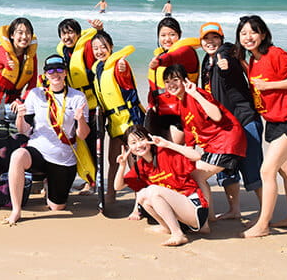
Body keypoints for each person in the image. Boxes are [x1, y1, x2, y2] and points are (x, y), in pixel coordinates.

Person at [235, 15, 287, 238]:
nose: (248, 37)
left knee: (267, 170)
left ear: (263, 34)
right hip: (274, 121)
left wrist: (269, 85)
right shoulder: (253, 61)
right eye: (243, 33)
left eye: (253, 32)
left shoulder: (276, 53)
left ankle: (263, 224)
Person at [4, 55, 89, 224]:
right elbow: (23, 131)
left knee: (58, 207)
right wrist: (20, 116)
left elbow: (82, 135)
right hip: (39, 151)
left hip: (63, 157)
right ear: (45, 74)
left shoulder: (77, 97)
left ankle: (48, 184)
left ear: (65, 73)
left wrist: (80, 119)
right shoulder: (36, 94)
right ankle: (16, 210)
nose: (55, 74)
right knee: (17, 156)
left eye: (59, 69)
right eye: (51, 70)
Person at [162, 64, 246, 221]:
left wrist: (196, 94)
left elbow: (217, 116)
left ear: (185, 80)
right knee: (193, 172)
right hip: (213, 146)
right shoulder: (182, 105)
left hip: (226, 141)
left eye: (175, 79)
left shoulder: (196, 95)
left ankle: (207, 217)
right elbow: (189, 137)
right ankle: (212, 215)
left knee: (196, 175)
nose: (171, 84)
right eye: (167, 81)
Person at [199, 22, 263, 219]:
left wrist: (225, 64)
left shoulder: (227, 53)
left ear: (222, 38)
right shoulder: (205, 62)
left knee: (251, 167)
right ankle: (234, 210)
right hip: (223, 127)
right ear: (201, 42)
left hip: (244, 120)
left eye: (215, 38)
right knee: (225, 169)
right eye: (206, 39)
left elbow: (228, 55)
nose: (211, 42)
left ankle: (264, 214)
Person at [113, 125, 209, 247]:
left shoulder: (165, 153)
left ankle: (177, 234)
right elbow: (118, 187)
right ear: (128, 148)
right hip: (180, 216)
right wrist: (122, 166)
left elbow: (196, 156)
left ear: (149, 139)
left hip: (195, 209)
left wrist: (168, 144)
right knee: (142, 195)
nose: (139, 145)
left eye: (141, 139)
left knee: (153, 190)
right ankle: (167, 227)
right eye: (133, 143)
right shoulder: (140, 166)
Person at [90, 30, 146, 204]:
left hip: (131, 121)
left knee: (134, 162)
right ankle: (110, 195)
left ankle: (140, 201)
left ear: (111, 47)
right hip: (114, 123)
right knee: (113, 159)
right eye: (95, 48)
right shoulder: (98, 68)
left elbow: (124, 76)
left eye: (103, 47)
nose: (99, 51)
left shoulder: (120, 65)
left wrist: (123, 69)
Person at [56, 18, 103, 194]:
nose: (67, 36)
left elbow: (101, 49)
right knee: (78, 144)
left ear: (78, 33)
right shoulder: (64, 53)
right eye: (64, 33)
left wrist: (99, 30)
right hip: (76, 104)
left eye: (70, 32)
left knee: (93, 144)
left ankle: (95, 183)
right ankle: (87, 179)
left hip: (92, 104)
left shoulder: (87, 48)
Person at [0, 17, 38, 126]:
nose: (24, 36)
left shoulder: (31, 57)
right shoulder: (2, 51)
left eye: (28, 33)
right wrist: (8, 67)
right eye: (20, 33)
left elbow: (32, 84)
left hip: (13, 102)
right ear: (12, 35)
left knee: (7, 137)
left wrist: (22, 100)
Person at [147, 17, 200, 141]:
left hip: (180, 114)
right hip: (160, 113)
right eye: (163, 35)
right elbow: (152, 87)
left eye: (172, 34)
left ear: (179, 35)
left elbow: (174, 57)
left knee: (174, 154)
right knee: (160, 157)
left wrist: (160, 61)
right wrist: (151, 104)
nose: (167, 39)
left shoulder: (186, 52)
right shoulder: (159, 55)